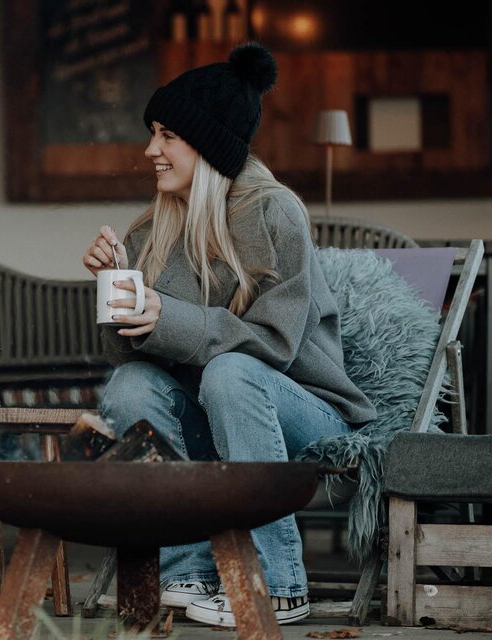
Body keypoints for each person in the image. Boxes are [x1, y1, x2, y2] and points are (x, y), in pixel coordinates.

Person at [82, 43, 376, 627]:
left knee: (231, 371)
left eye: (167, 135)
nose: (151, 150)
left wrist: (169, 317)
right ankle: (185, 569)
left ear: (208, 142)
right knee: (131, 385)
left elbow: (274, 346)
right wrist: (115, 286)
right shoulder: (155, 227)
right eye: (154, 134)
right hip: (213, 406)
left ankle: (276, 585)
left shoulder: (275, 214)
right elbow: (128, 359)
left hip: (301, 409)